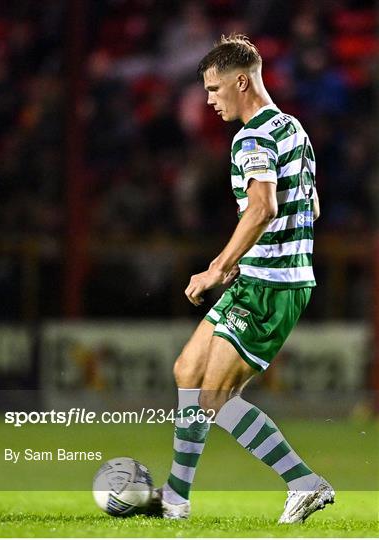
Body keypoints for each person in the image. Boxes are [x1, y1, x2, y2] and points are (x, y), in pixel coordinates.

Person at [150, 33, 334, 523]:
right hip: (264, 277)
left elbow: (262, 207)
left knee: (214, 397)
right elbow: (310, 205)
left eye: (214, 89)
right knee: (188, 373)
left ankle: (304, 483)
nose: (209, 100)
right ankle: (175, 499)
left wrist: (216, 267)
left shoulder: (251, 137)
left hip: (271, 285)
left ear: (240, 81)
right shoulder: (292, 127)